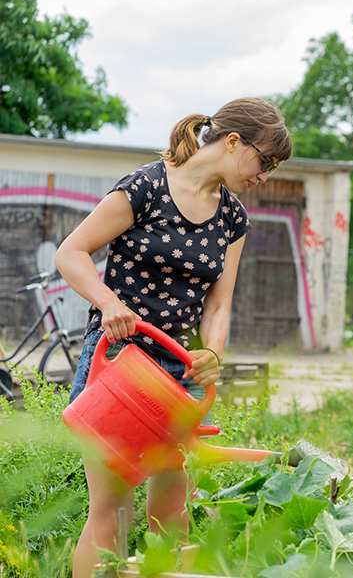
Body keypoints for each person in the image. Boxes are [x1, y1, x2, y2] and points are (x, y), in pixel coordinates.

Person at [56, 97, 293, 578]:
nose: (264, 176)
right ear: (232, 142)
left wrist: (211, 352)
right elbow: (71, 252)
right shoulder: (146, 186)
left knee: (172, 515)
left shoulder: (232, 218)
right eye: (264, 162)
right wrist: (109, 303)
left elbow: (219, 304)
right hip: (119, 364)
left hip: (178, 374)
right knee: (112, 514)